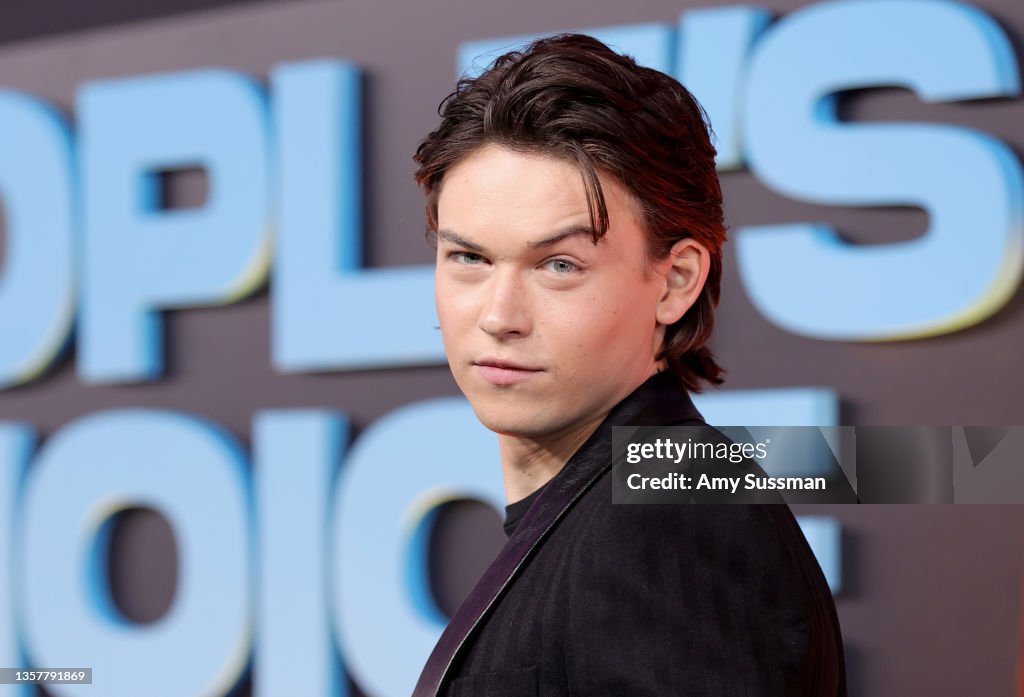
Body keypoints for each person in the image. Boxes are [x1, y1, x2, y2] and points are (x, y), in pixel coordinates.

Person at [410, 32, 847, 697]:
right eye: (469, 258)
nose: (499, 314)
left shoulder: (667, 523)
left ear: (675, 282)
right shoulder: (616, 507)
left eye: (559, 265)